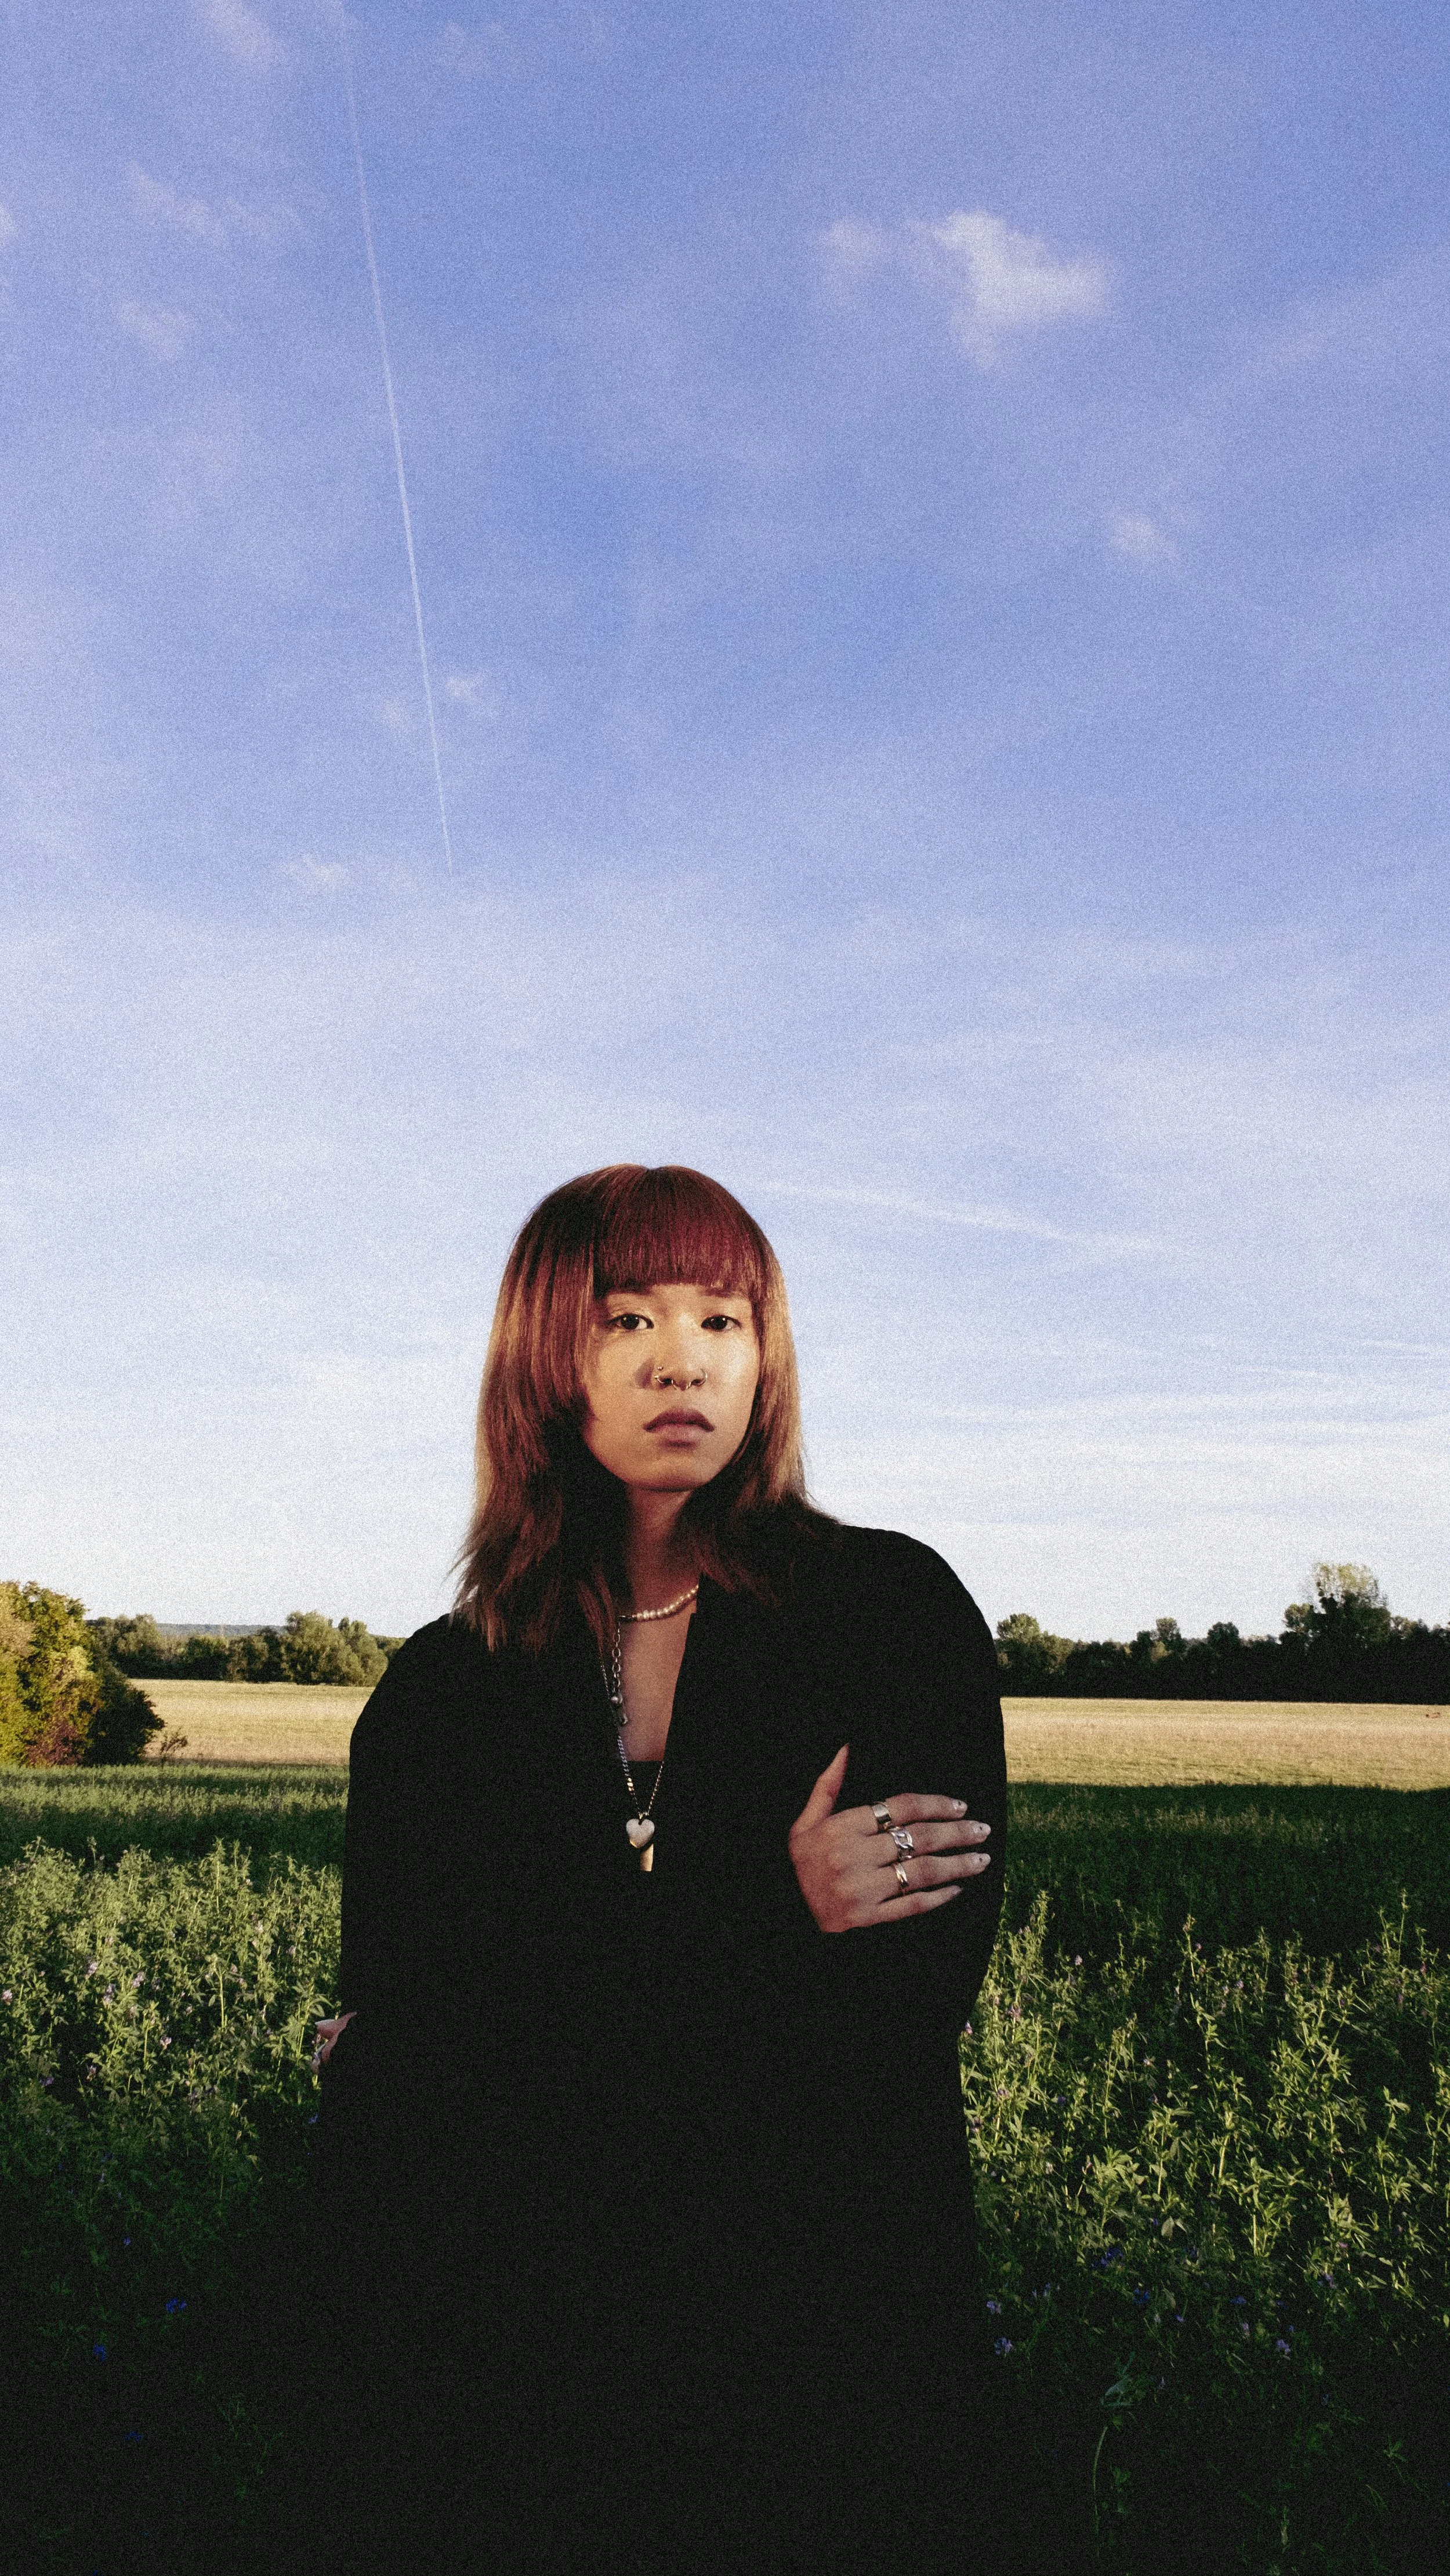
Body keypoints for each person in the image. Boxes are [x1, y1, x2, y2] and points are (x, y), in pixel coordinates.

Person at [314, 1163, 1006, 2575]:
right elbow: (395, 2094)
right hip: (519, 2383)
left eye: (723, 1316)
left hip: (828, 2352)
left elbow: (879, 2038)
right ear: (544, 1357)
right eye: (624, 1316)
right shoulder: (443, 1692)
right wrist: (772, 1908)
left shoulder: (889, 1617)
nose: (681, 1356)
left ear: (768, 1356)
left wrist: (513, 2024)